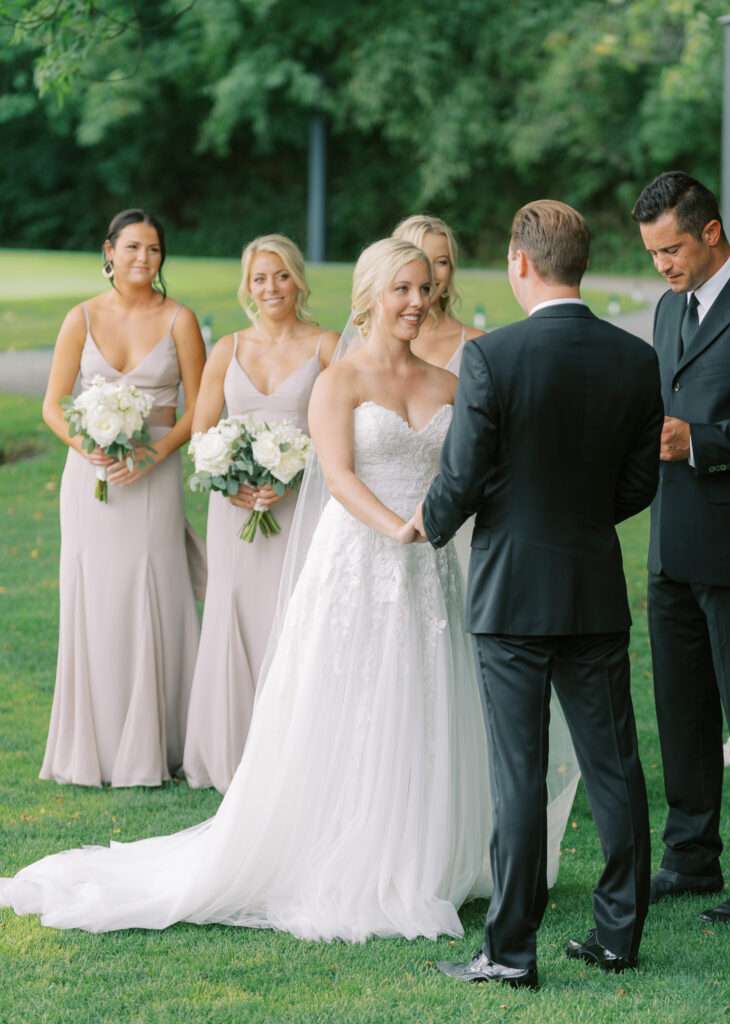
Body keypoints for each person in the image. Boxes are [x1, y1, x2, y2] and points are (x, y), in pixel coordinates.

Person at [0, 238, 493, 938]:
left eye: (424, 289)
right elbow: (342, 476)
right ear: (372, 297)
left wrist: (436, 526)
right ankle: (354, 851)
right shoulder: (341, 380)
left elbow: (466, 472)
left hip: (432, 571)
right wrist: (399, 529)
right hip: (362, 559)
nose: (418, 302)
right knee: (359, 699)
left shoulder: (449, 386)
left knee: (426, 695)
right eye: (403, 290)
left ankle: (425, 855)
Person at [412, 200, 662, 988]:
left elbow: (459, 478)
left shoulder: (494, 359)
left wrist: (427, 524)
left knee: (518, 773)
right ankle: (618, 937)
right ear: (579, 263)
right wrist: (582, 519)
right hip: (591, 587)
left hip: (511, 592)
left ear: (521, 262)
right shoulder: (635, 356)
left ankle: (510, 951)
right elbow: (639, 481)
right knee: (614, 764)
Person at [632, 171, 730, 924]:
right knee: (682, 710)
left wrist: (700, 442)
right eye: (653, 253)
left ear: (711, 231)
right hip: (670, 547)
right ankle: (690, 859)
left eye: (672, 248)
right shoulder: (665, 310)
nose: (663, 265)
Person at [38, 208, 205, 788]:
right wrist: (87, 446)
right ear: (109, 251)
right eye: (132, 247)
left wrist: (156, 456)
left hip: (151, 476)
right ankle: (95, 746)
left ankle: (162, 743)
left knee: (155, 592)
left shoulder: (180, 319)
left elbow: (199, 409)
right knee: (96, 597)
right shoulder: (80, 318)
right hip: (91, 476)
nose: (143, 258)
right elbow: (53, 404)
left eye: (153, 250)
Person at [182, 234, 337, 793]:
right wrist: (230, 482)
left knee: (294, 620)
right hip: (235, 511)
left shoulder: (327, 346)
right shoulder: (227, 348)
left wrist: (297, 472)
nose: (271, 287)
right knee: (235, 617)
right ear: (247, 287)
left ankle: (294, 756)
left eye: (281, 275)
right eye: (259, 278)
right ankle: (232, 751)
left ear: (298, 279)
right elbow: (201, 430)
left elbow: (342, 433)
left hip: (302, 510)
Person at [392, 214, 484, 373]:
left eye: (441, 262)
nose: (431, 273)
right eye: (422, 259)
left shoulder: (477, 344)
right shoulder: (372, 341)